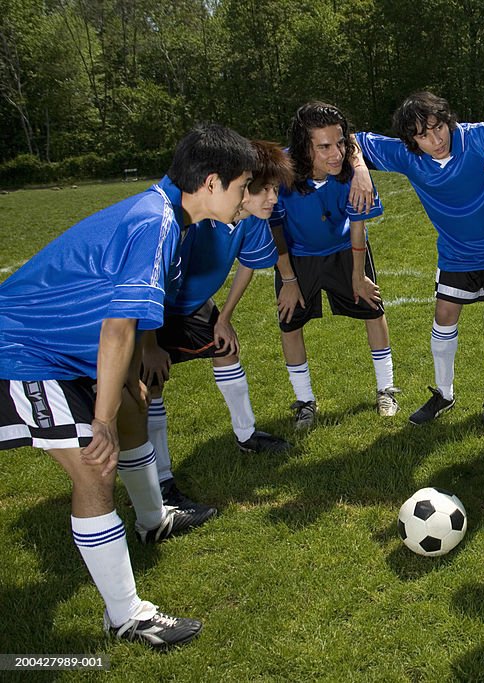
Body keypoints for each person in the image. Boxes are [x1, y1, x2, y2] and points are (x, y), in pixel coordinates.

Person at [0, 124, 256, 648]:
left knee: (136, 407)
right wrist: (100, 418)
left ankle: (153, 520)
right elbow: (118, 326)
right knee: (95, 465)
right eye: (242, 186)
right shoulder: (156, 222)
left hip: (64, 352)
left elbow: (129, 312)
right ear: (211, 183)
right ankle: (126, 616)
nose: (245, 198)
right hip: (22, 352)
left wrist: (128, 382)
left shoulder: (168, 216)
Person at [356, 92, 484, 428]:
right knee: (443, 316)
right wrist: (359, 170)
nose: (435, 139)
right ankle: (444, 393)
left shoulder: (479, 137)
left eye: (438, 127)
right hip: (456, 253)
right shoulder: (407, 156)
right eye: (423, 135)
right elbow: (352, 142)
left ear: (448, 120)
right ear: (411, 140)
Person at [140, 140, 294, 514]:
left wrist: (223, 318)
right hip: (151, 307)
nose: (273, 198)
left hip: (191, 305)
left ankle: (246, 436)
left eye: (276, 190)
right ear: (239, 187)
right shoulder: (191, 218)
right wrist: (148, 345)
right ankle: (160, 483)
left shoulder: (252, 220)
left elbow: (250, 263)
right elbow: (146, 283)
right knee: (151, 382)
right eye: (264, 189)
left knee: (227, 350)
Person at [271, 102, 398, 429]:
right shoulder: (280, 175)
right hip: (296, 257)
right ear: (303, 147)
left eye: (340, 144)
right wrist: (288, 279)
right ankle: (305, 402)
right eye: (324, 146)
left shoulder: (352, 175)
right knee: (290, 322)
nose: (336, 153)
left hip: (345, 248)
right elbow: (274, 229)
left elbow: (358, 223)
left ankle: (386, 388)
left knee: (373, 308)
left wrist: (358, 276)